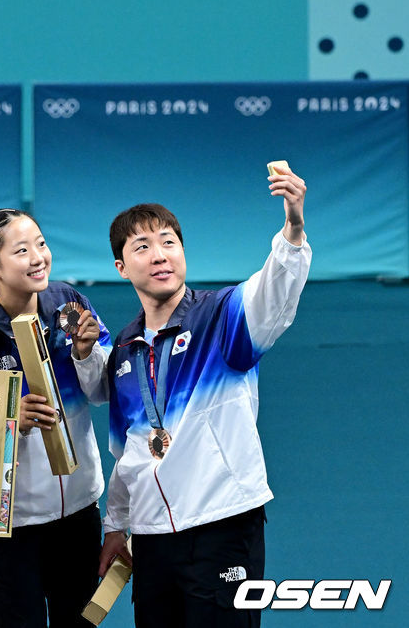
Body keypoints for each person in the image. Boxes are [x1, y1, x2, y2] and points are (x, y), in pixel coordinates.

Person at [98, 167, 311, 628]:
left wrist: (293, 228)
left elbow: (274, 292)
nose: (160, 255)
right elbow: (130, 451)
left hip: (221, 526)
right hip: (152, 537)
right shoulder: (124, 353)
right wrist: (117, 524)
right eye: (143, 247)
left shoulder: (223, 317)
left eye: (169, 241)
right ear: (121, 267)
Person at [0, 208, 111, 627]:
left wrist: (85, 353)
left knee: (80, 619)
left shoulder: (69, 302)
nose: (38, 257)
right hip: (10, 517)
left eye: (41, 244)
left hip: (78, 504)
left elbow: (102, 392)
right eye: (21, 250)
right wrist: (9, 419)